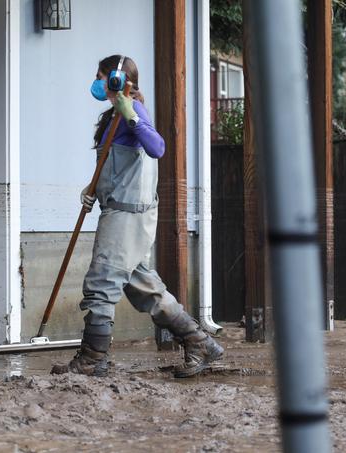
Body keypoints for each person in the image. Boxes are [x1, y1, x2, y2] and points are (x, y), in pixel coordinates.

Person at [51, 55, 223, 378]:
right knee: (145, 287)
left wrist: (130, 113)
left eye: (100, 76)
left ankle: (92, 358)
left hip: (126, 217)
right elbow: (115, 166)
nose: (97, 82)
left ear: (115, 79)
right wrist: (92, 188)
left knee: (101, 284)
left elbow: (157, 147)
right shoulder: (111, 117)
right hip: (122, 211)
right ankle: (200, 342)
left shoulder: (132, 111)